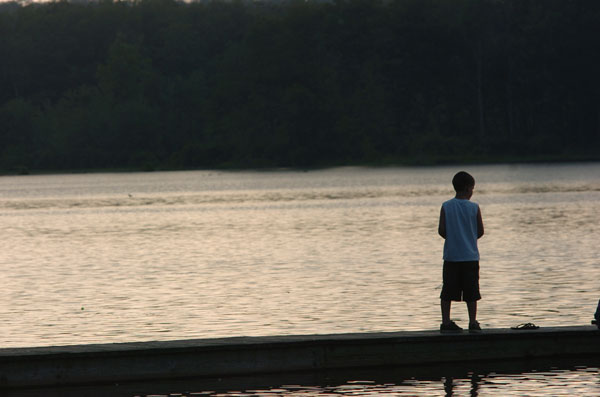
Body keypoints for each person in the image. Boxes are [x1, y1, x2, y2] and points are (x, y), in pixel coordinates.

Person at [438, 171, 484, 333]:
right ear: (467, 188)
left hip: (451, 256)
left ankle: (445, 322)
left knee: (447, 291)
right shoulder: (474, 207)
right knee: (472, 291)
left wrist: (453, 239)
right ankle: (473, 322)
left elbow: (442, 230)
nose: (472, 192)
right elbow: (480, 231)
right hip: (470, 256)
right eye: (472, 188)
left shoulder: (446, 206)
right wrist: (469, 238)